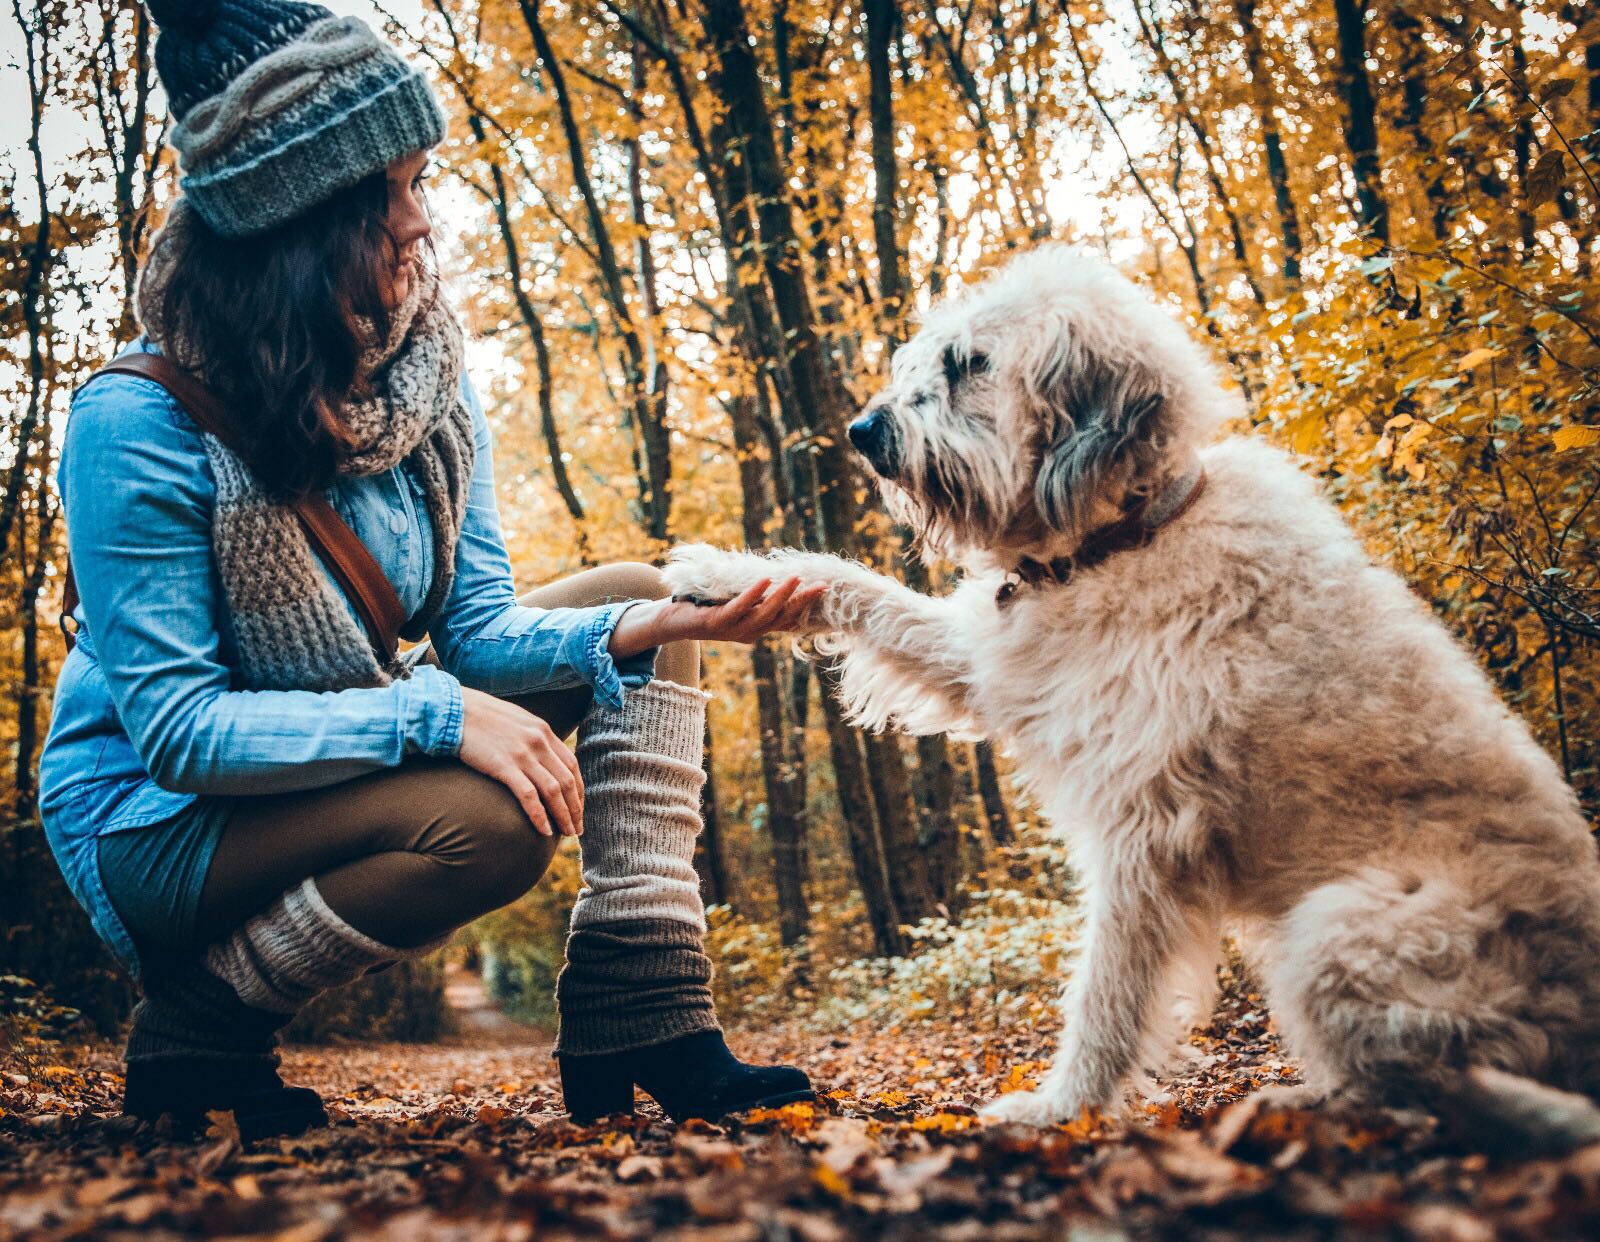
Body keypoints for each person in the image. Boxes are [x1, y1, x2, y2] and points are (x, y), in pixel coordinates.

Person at [38, 0, 821, 1141]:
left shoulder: (426, 383)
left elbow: (482, 629)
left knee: (634, 595)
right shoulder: (138, 420)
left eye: (420, 181)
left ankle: (642, 1001)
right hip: (155, 823)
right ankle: (205, 1016)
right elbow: (182, 731)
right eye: (390, 192)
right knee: (489, 823)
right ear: (303, 213)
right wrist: (436, 719)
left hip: (320, 753)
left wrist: (644, 632)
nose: (421, 221)